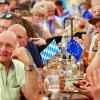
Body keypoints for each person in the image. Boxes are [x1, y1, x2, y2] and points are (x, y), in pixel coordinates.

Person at [0, 30, 38, 100]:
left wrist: (27, 63)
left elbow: (33, 96)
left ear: (16, 49)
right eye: (0, 44)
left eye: (8, 46)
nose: (3, 49)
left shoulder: (20, 66)